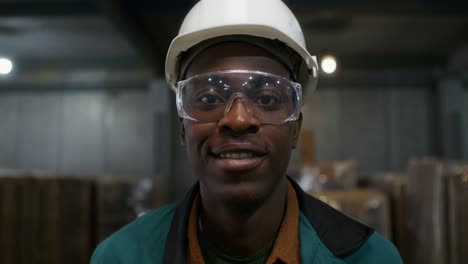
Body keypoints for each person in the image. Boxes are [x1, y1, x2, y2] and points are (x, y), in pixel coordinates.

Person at [91, 0, 403, 263]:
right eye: (210, 98)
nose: (238, 120)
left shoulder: (367, 257)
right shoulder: (121, 256)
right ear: (183, 128)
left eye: (266, 98)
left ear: (295, 127)